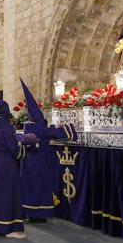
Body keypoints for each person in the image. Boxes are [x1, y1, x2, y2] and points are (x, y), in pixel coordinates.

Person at [19, 79, 77, 223]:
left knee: (28, 186)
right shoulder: (39, 128)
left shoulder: (28, 127)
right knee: (39, 187)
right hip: (39, 163)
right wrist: (70, 126)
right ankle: (37, 214)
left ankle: (27, 211)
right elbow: (59, 132)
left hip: (28, 163)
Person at [0, 100, 36, 239]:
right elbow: (14, 148)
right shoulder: (6, 126)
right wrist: (26, 144)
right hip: (6, 163)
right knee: (7, 193)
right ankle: (8, 228)